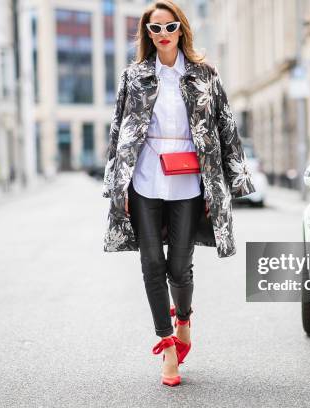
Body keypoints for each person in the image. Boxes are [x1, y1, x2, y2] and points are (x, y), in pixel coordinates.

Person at [102, 0, 256, 387]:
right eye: (155, 29)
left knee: (179, 268)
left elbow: (226, 127)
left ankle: (183, 316)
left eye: (170, 27)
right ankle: (167, 347)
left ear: (181, 30)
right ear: (147, 34)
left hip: (189, 182)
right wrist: (115, 184)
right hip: (144, 179)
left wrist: (233, 180)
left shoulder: (205, 75)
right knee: (151, 264)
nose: (163, 35)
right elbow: (118, 130)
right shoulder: (133, 76)